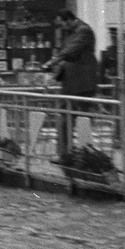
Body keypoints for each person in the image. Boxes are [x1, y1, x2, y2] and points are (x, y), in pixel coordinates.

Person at [45, 10, 98, 158]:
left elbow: (69, 51)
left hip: (82, 82)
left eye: (61, 23)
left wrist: (52, 62)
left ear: (68, 20)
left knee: (79, 119)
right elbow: (66, 53)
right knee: (66, 117)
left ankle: (82, 154)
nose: (61, 28)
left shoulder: (83, 30)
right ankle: (67, 153)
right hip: (72, 82)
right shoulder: (72, 32)